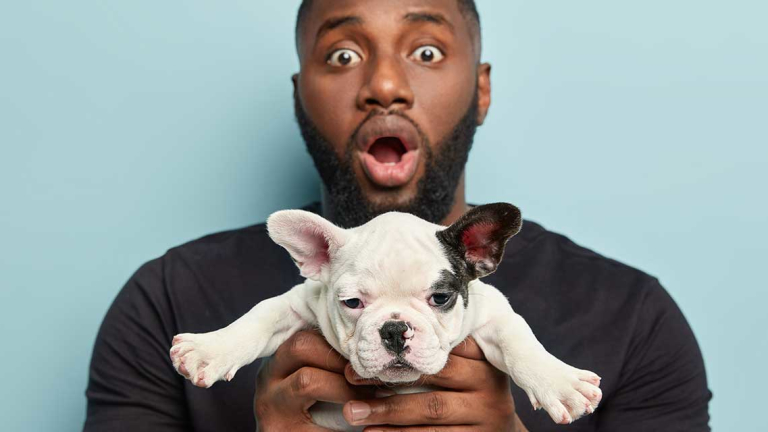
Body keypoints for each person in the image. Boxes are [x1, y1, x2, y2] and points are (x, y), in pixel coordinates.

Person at [84, 1, 712, 431]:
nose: (385, 84)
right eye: (343, 56)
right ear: (300, 93)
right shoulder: (165, 299)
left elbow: (502, 327)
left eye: (429, 51)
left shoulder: (636, 317)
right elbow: (282, 313)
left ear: (483, 87)